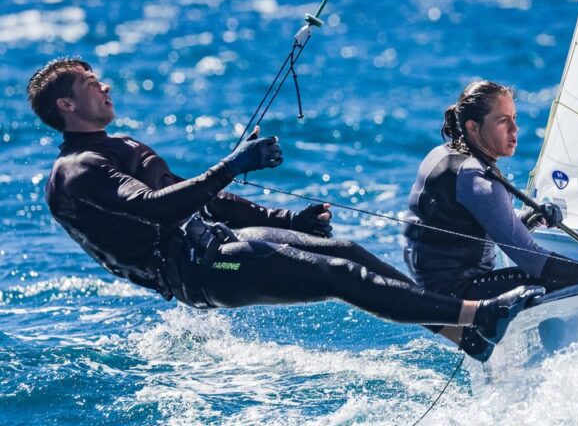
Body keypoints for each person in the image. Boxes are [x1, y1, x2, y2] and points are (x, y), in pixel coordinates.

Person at [28, 57, 543, 357]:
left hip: (217, 244)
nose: (105, 85)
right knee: (337, 274)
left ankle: (467, 338)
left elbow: (199, 200)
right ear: (67, 106)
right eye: (91, 84)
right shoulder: (77, 171)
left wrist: (285, 219)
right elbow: (160, 209)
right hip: (201, 269)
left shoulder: (117, 144)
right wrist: (231, 164)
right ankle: (482, 316)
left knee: (345, 249)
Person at [403, 80, 578, 360]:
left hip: (437, 297)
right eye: (502, 121)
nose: (514, 130)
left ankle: (527, 348)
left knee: (557, 276)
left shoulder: (444, 156)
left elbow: (475, 228)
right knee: (559, 280)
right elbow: (531, 259)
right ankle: (573, 357)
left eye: (514, 119)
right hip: (462, 296)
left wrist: (530, 218)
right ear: (473, 127)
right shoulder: (475, 178)